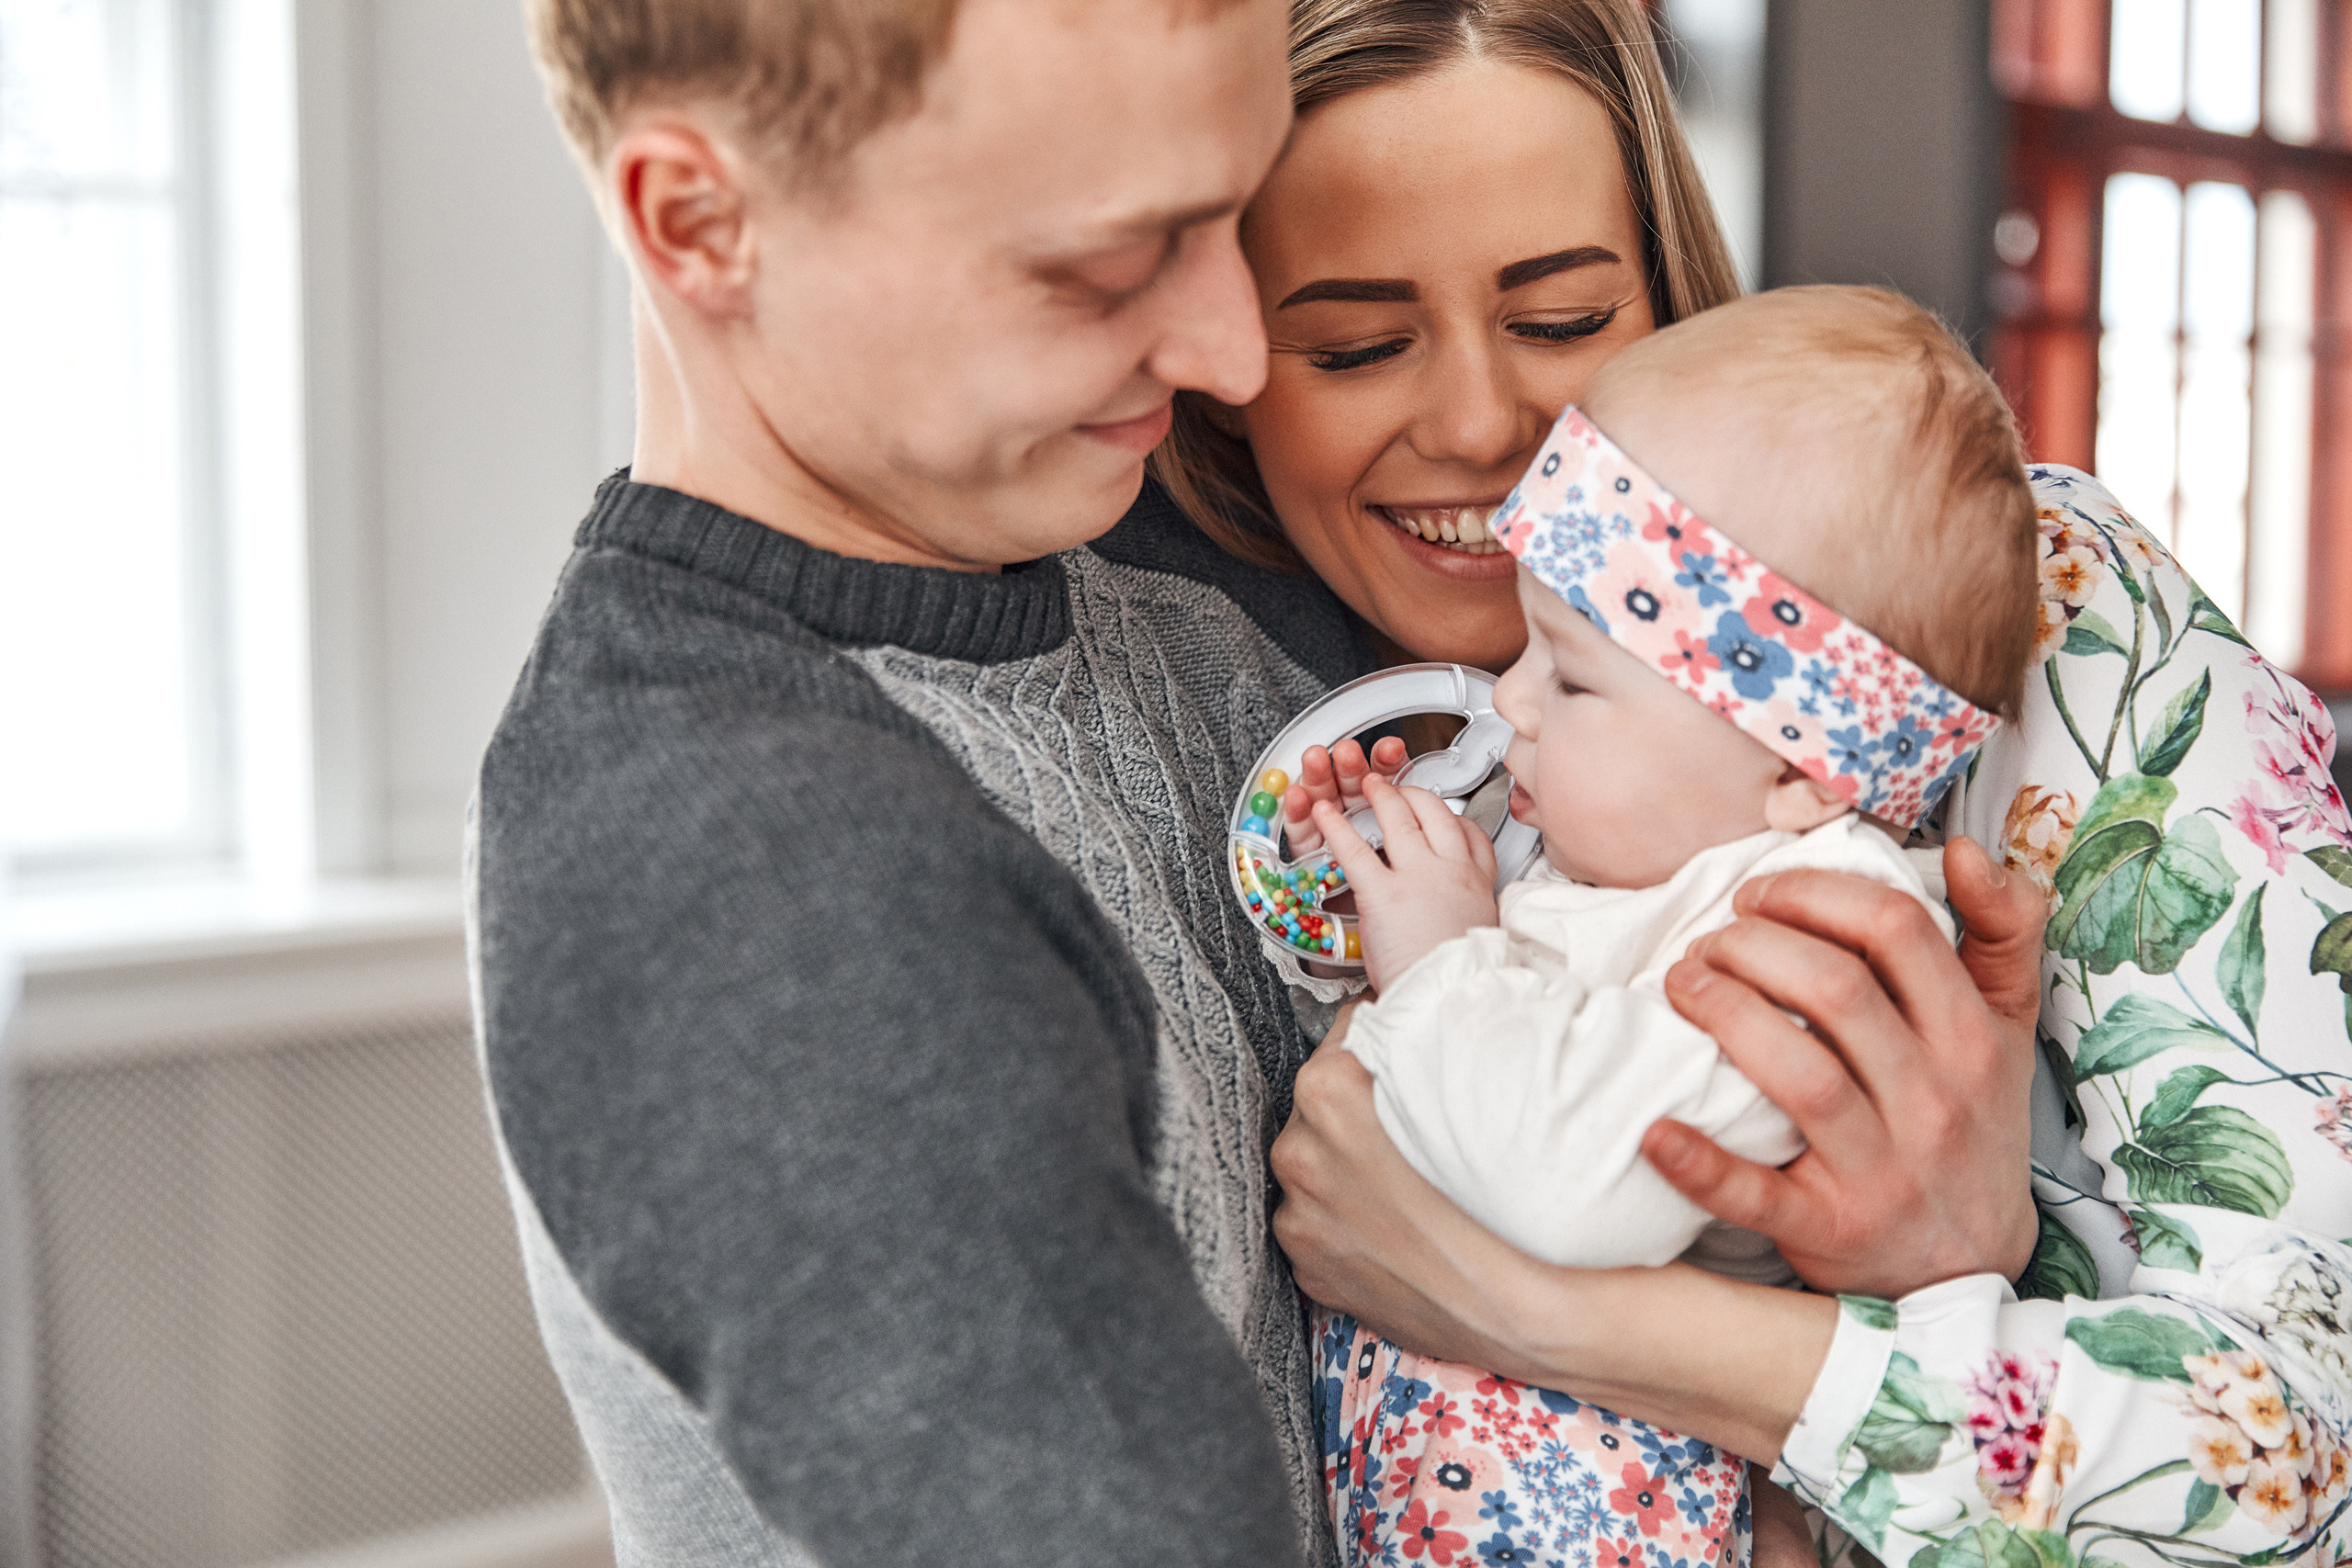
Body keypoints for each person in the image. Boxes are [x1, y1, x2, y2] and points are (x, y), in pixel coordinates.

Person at [477, 0, 2052, 1563]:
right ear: (700, 224)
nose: (1232, 355)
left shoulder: (1213, 608)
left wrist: (1928, 1276)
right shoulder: (752, 868)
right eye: (1110, 258)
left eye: (1226, 223)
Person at [1162, 6, 2352, 1567]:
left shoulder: (2038, 603)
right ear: (1218, 358)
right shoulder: (1219, 718)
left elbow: (2307, 1431)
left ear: (1672, 288)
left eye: (1565, 316)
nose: (1477, 430)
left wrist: (1551, 1315)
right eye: (1357, 345)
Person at [1300, 287, 2038, 1567]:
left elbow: (1564, 1189)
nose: (1513, 703)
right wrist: (1364, 874)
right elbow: (1449, 1045)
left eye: (1572, 675)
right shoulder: (1647, 842)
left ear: (1806, 772)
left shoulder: (1807, 935)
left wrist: (1437, 950)